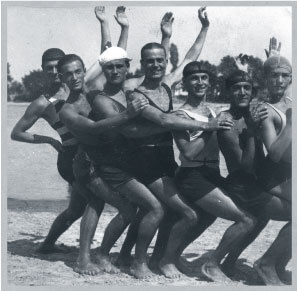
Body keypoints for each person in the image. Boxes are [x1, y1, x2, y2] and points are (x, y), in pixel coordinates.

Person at [10, 5, 129, 258]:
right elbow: (16, 132)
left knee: (76, 209)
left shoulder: (81, 86)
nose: (54, 72)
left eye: (57, 67)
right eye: (49, 67)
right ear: (44, 69)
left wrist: (104, 22)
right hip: (70, 156)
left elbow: (107, 54)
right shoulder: (43, 102)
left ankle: (45, 245)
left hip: (91, 153)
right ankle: (84, 257)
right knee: (94, 201)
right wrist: (50, 140)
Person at [251, 52, 292, 285]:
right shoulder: (266, 111)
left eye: (284, 76)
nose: (278, 80)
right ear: (266, 79)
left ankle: (277, 264)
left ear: (290, 80)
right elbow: (274, 154)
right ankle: (266, 264)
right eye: (274, 75)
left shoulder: (291, 104)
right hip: (272, 174)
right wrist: (291, 124)